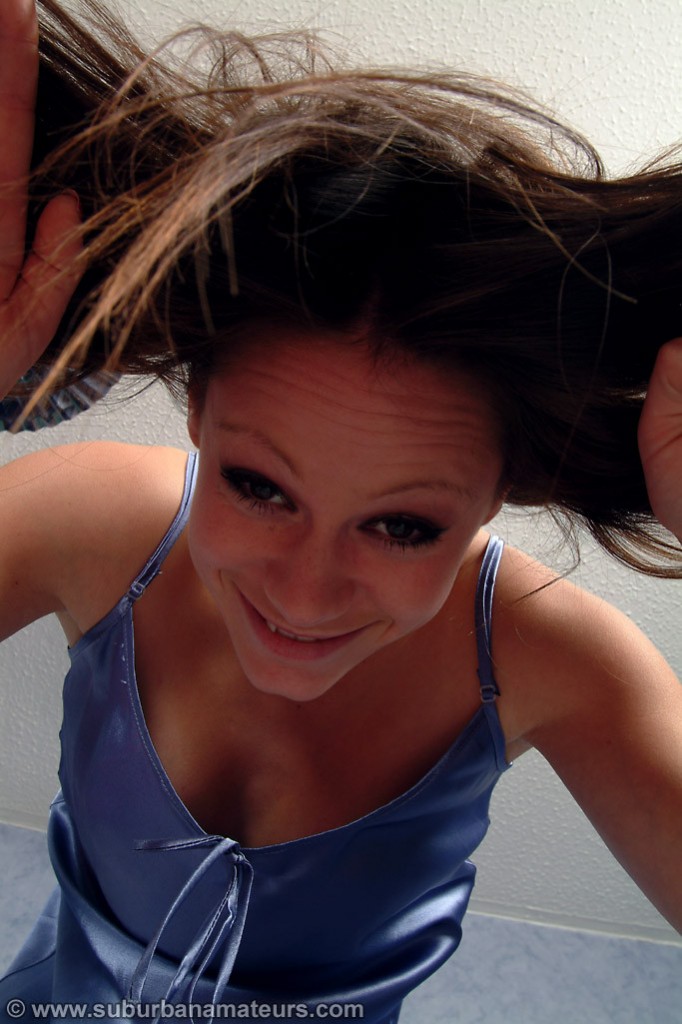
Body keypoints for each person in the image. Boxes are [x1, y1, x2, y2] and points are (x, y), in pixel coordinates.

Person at [0, 0, 681, 1019]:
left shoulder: (557, 661)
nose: (306, 593)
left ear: (502, 489)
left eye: (403, 526)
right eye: (258, 486)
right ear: (197, 407)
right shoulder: (93, 523)